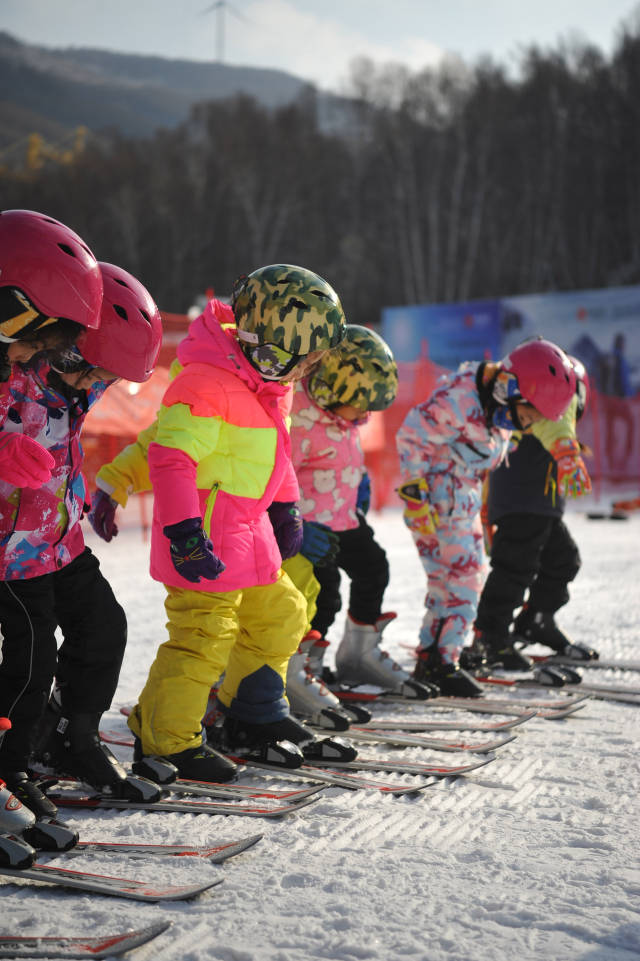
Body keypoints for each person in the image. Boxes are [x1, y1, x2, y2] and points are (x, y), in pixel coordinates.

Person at [90, 265, 352, 784]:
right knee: (203, 637)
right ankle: (167, 742)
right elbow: (169, 455)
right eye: (308, 360)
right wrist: (182, 531)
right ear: (275, 347)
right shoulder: (206, 383)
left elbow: (273, 456)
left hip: (248, 536)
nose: (309, 373)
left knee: (283, 614)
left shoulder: (267, 387)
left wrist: (285, 506)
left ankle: (252, 713)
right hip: (202, 542)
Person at [0, 260, 163, 817]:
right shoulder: (13, 375)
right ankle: (12, 762)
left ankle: (74, 736)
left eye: (105, 379)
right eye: (89, 370)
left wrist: (109, 487)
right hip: (12, 552)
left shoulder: (74, 388)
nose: (95, 386)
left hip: (59, 541)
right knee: (31, 658)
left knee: (103, 628)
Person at [395, 338, 577, 697]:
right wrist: (415, 497)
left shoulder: (499, 410)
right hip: (434, 505)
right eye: (528, 415)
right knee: (461, 581)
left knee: (455, 582)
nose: (527, 424)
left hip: (461, 505)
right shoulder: (461, 400)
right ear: (513, 389)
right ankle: (443, 661)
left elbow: (480, 466)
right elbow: (411, 437)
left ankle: (434, 656)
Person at [282, 324, 436, 731]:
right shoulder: (297, 421)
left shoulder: (342, 416)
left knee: (374, 567)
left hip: (346, 518)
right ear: (332, 389)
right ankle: (298, 665)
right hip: (312, 529)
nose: (366, 416)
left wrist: (359, 480)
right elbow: (280, 476)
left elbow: (344, 452)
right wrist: (291, 523)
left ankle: (358, 654)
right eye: (360, 406)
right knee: (322, 598)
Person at [471, 356, 597, 669]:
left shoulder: (543, 411)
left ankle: (536, 620)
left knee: (563, 560)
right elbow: (556, 430)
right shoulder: (544, 409)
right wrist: (568, 453)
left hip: (541, 509)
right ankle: (490, 635)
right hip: (522, 506)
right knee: (514, 569)